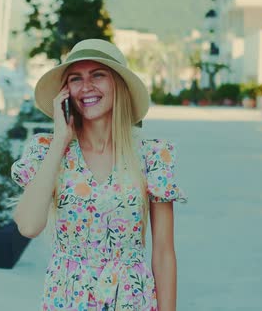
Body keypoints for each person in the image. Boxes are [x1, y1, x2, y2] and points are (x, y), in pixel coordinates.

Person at [11, 39, 187, 311]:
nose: (86, 86)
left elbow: (164, 253)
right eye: (75, 78)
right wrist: (60, 140)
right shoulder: (47, 150)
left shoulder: (152, 156)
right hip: (67, 299)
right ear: (65, 92)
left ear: (119, 85)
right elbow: (28, 226)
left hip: (130, 300)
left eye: (98, 75)